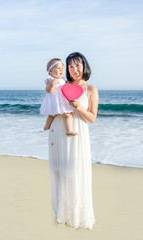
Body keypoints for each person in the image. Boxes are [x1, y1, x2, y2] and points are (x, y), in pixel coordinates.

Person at [48, 52, 99, 230]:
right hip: (59, 129)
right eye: (70, 66)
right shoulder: (63, 85)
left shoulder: (91, 89)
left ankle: (77, 215)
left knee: (76, 172)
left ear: (84, 65)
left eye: (77, 65)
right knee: (60, 172)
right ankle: (63, 212)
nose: (74, 69)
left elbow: (92, 118)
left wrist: (79, 107)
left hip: (78, 133)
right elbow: (51, 104)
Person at [39, 58, 78, 136]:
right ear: (50, 71)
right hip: (55, 101)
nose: (61, 70)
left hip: (61, 102)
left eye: (62, 68)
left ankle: (46, 127)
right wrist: (52, 84)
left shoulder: (63, 79)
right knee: (67, 115)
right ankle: (68, 130)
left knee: (52, 115)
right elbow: (48, 90)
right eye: (58, 68)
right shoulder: (50, 80)